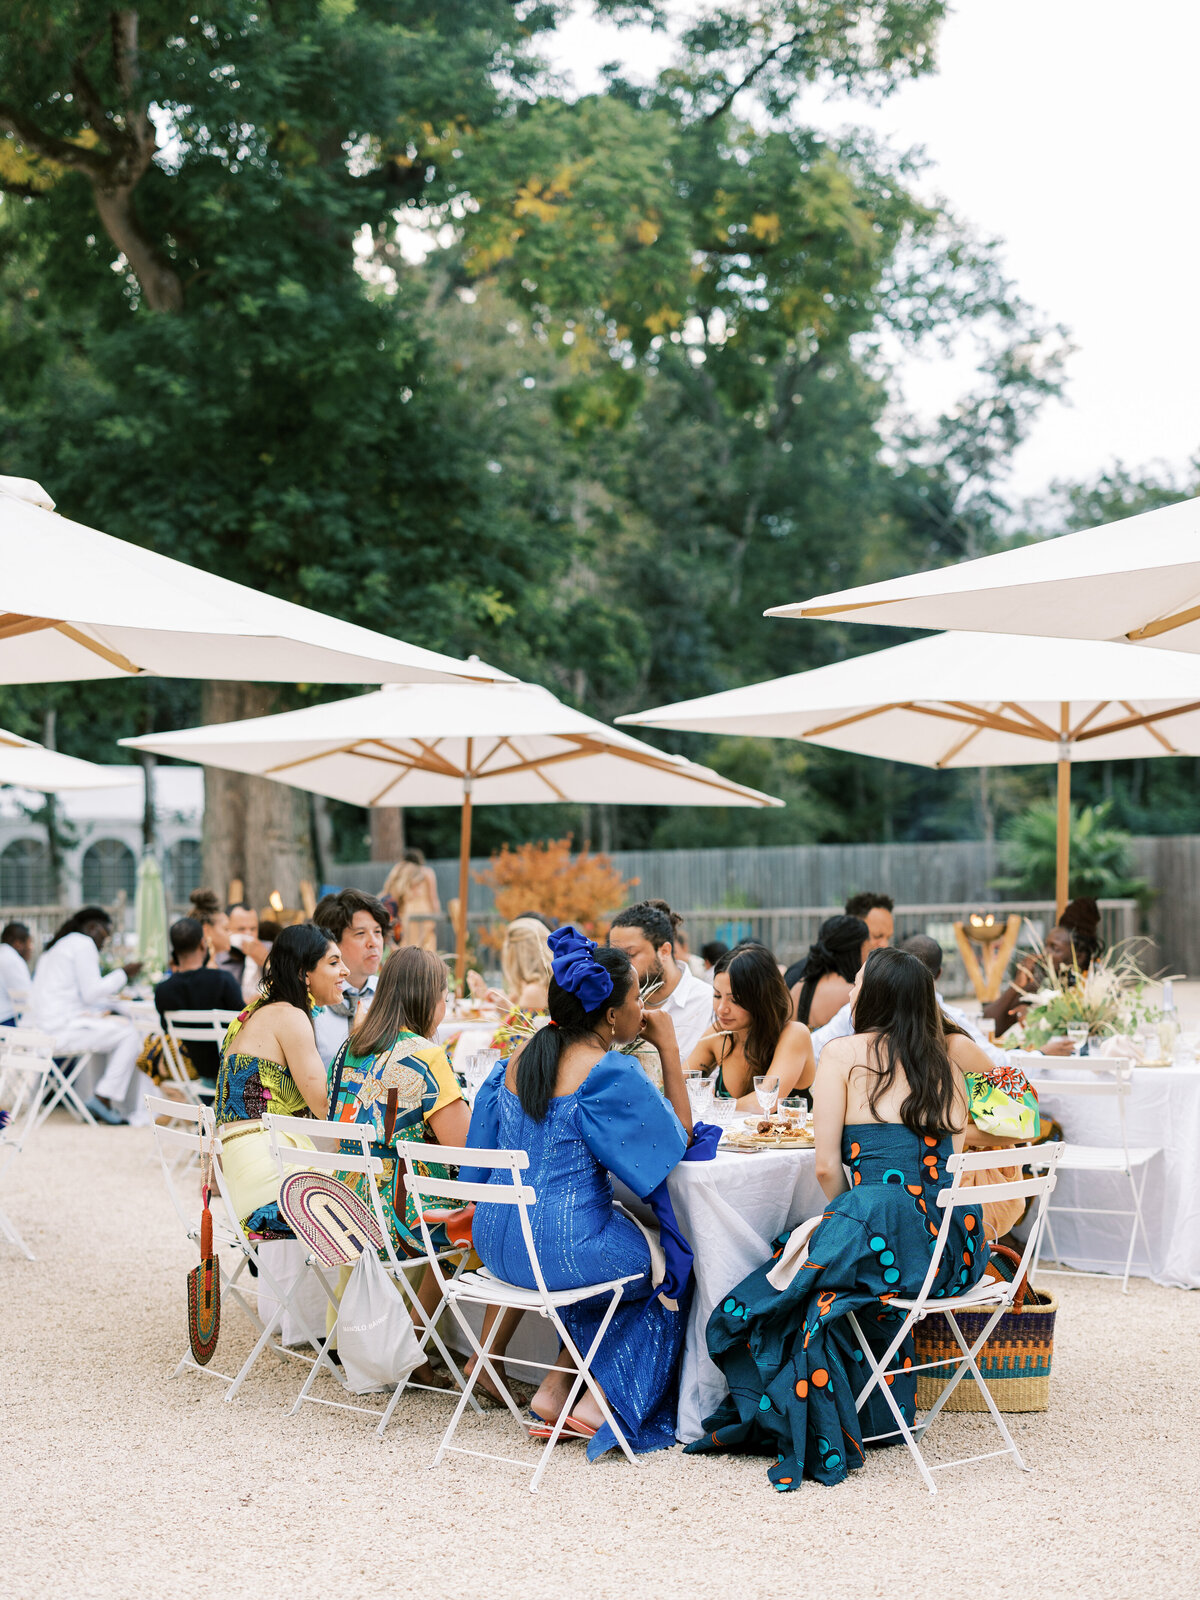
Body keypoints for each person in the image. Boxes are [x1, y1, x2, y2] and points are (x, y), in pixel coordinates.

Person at [685, 947, 989, 1491]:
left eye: (860, 985)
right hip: (958, 1247)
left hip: (888, 1228)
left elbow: (827, 1168)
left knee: (781, 1284)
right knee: (827, 1278)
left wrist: (855, 1217)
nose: (851, 993)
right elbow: (953, 1159)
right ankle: (875, 1409)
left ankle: (797, 1410)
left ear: (876, 997)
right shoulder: (949, 1059)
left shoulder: (846, 1053)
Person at [465, 928, 693, 1458]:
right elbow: (675, 1140)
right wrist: (669, 1046)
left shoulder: (519, 1058)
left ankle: (555, 1385)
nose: (643, 1006)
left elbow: (482, 1153)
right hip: (558, 1250)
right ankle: (600, 1402)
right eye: (637, 997)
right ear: (611, 1016)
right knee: (666, 1267)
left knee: (612, 1255)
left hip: (497, 1243)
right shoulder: (606, 1070)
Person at [214, 923, 349, 1234]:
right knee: (378, 1195)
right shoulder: (290, 1016)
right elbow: (325, 1108)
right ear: (304, 974)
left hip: (241, 1171)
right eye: (333, 962)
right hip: (270, 1184)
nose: (345, 971)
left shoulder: (252, 1013)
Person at [29, 907, 143, 1126]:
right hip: (59, 1031)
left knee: (110, 1031)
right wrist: (123, 974)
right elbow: (91, 992)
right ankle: (102, 1097)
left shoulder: (56, 947)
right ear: (93, 928)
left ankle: (98, 1096)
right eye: (105, 936)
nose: (104, 943)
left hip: (41, 1030)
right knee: (129, 1034)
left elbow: (78, 994)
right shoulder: (83, 943)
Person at [687, 942, 815, 1107]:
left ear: (762, 999)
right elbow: (675, 1087)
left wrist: (713, 1106)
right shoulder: (718, 1036)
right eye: (717, 996)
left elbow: (765, 1102)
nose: (721, 1009)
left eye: (734, 1000)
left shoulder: (794, 1034)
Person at [982, 896, 1103, 1039]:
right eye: (1046, 945)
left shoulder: (1098, 990)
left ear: (1079, 956)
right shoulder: (1037, 987)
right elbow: (985, 1027)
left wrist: (1040, 1017)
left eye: (1054, 948)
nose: (1045, 953)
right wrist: (1017, 985)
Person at [609, 899, 713, 1059]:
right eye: (614, 956)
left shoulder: (709, 1002)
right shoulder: (612, 1003)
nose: (621, 965)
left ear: (664, 951)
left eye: (630, 955)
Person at [153, 918, 244, 1083]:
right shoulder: (223, 980)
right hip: (232, 1073)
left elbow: (166, 1028)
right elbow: (245, 1022)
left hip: (198, 1072)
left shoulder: (163, 990)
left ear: (175, 950)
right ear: (203, 944)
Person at [311, 889, 390, 1067]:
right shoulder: (311, 1000)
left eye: (377, 932)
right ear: (331, 942)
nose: (373, 943)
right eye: (360, 934)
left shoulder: (389, 994)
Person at [783, 914, 870, 1028]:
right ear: (855, 950)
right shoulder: (851, 994)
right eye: (867, 949)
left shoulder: (799, 986)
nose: (868, 957)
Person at [468, 916, 553, 1014]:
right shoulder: (539, 984)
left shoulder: (533, 991)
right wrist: (489, 995)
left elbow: (522, 1027)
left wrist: (508, 1009)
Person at [382, 848, 441, 950]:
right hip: (425, 910)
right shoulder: (427, 872)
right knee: (426, 945)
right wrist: (437, 915)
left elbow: (389, 891)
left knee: (409, 943)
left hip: (407, 910)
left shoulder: (400, 871)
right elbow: (433, 897)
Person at [219, 903, 273, 1004]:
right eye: (241, 929)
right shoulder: (219, 956)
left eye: (253, 929)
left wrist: (266, 960)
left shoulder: (271, 949)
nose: (248, 934)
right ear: (227, 929)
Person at [0, 921, 34, 1026]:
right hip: (5, 1021)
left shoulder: (3, 954)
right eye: (30, 943)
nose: (31, 948)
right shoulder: (12, 959)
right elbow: (24, 998)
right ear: (18, 944)